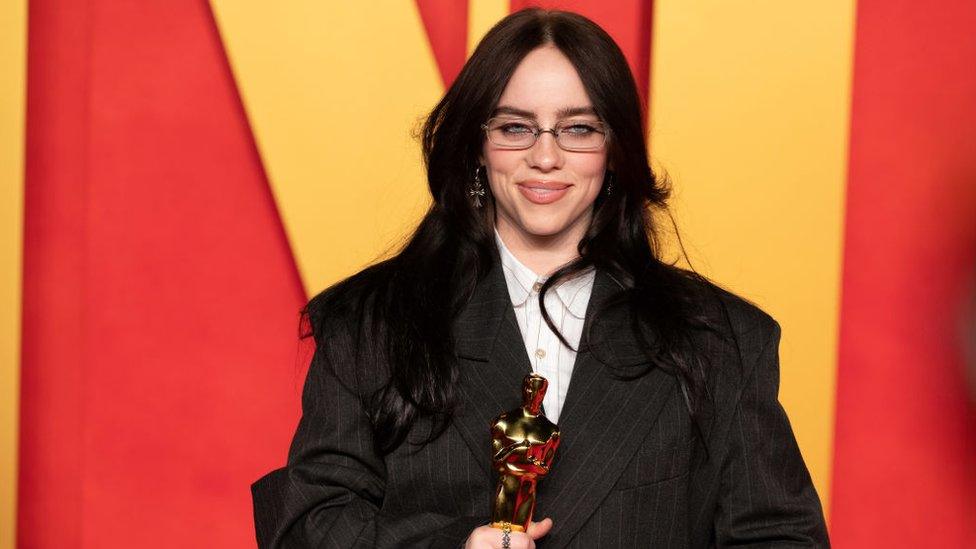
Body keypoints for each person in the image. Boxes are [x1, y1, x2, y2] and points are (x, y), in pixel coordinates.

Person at [251, 8, 829, 548]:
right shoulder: (372, 323)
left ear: (614, 150)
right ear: (478, 145)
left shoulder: (720, 340)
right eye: (515, 127)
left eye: (577, 129)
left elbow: (779, 536)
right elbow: (308, 521)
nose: (545, 157)